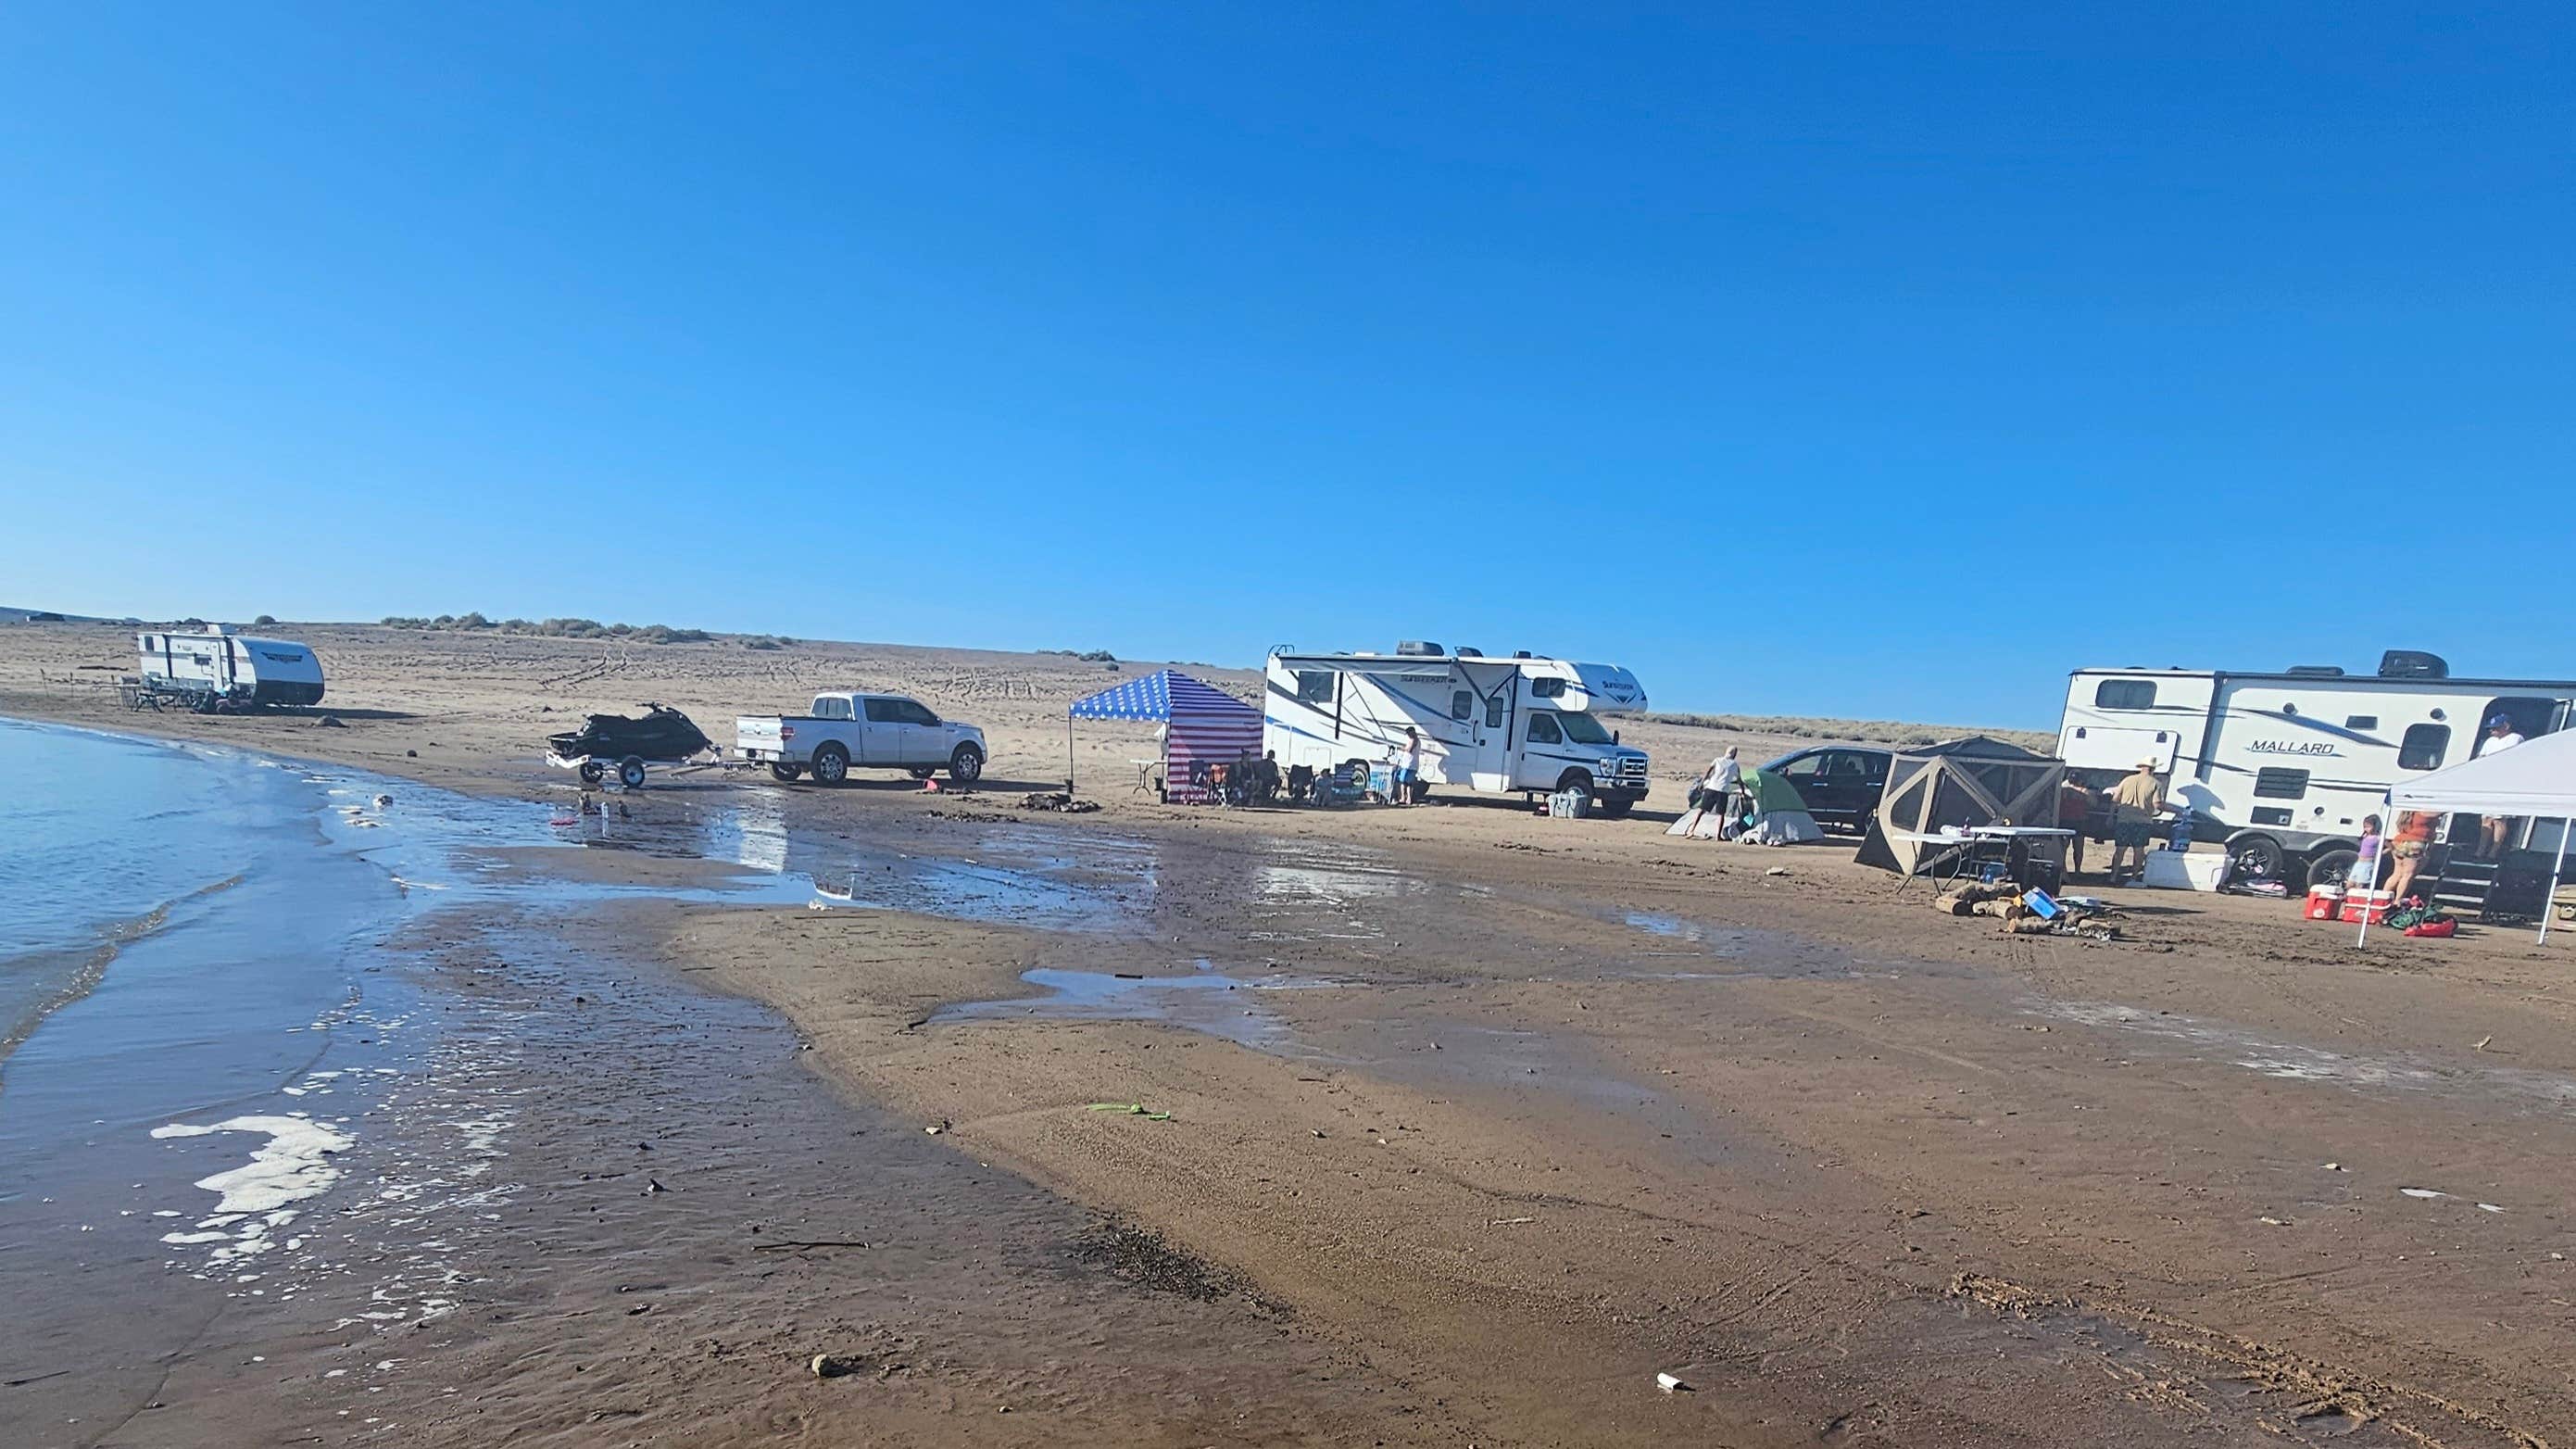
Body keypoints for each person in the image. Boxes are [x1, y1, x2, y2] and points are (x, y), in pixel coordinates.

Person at [2105, 757, 2166, 882]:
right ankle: (2133, 878)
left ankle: (2113, 876)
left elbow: (2115, 799)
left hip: (2124, 819)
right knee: (2139, 851)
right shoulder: (2155, 783)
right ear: (2153, 768)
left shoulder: (2127, 780)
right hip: (2143, 821)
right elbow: (2157, 804)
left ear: (2141, 767)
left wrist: (2110, 816)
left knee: (2120, 849)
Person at [2480, 714, 2526, 857]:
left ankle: (2493, 851)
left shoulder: (2516, 738)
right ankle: (2480, 850)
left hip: (2505, 783)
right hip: (2489, 783)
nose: (2492, 731)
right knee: (2486, 819)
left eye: (2496, 728)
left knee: (2499, 819)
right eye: (2491, 729)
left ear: (2506, 726)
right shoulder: (2490, 741)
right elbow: (2482, 757)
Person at [2386, 810, 2435, 902]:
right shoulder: (2424, 811)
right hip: (2415, 844)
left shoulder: (2407, 812)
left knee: (2396, 874)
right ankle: (2397, 901)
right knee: (2408, 875)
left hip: (2399, 842)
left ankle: (2383, 897)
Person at [2057, 777, 2095, 876]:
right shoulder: (2085, 791)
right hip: (2079, 821)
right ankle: (2077, 870)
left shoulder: (2062, 791)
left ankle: (2062, 870)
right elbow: (2094, 803)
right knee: (2078, 848)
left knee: (2063, 848)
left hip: (2064, 820)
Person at [2352, 814, 2383, 888]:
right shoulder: (2365, 836)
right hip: (2359, 862)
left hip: (2368, 864)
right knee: (2350, 883)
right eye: (2365, 827)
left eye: (2368, 827)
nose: (2366, 829)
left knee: (2360, 884)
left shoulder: (2378, 838)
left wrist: (2380, 854)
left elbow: (2390, 847)